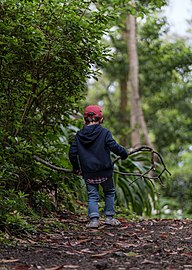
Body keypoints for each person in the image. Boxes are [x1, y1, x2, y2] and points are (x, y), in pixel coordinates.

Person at [68, 105, 128, 228]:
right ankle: (109, 218)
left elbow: (72, 153)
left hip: (89, 172)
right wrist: (123, 154)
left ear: (84, 120)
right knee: (109, 192)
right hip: (104, 171)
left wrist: (76, 167)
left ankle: (94, 220)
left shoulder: (79, 135)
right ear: (101, 119)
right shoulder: (104, 132)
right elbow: (113, 146)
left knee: (92, 196)